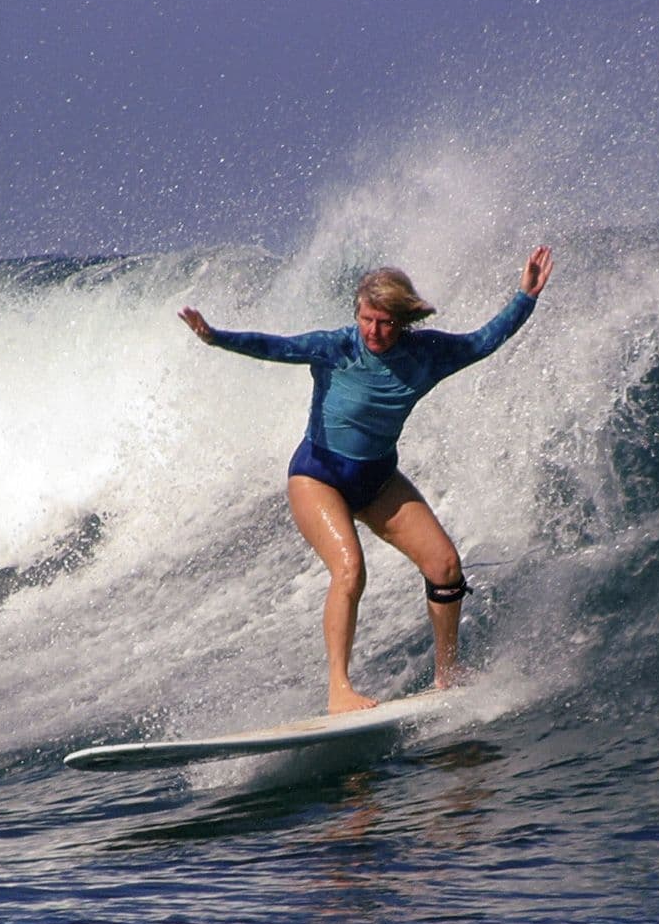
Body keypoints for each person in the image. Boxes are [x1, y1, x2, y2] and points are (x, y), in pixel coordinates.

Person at [179, 246, 553, 712]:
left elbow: (481, 342)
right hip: (318, 476)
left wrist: (525, 297)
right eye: (366, 319)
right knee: (350, 568)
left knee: (445, 567)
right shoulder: (336, 347)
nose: (373, 331)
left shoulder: (428, 354)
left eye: (385, 322)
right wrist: (217, 338)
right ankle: (339, 688)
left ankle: (448, 671)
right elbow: (275, 346)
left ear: (403, 320)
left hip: (377, 479)